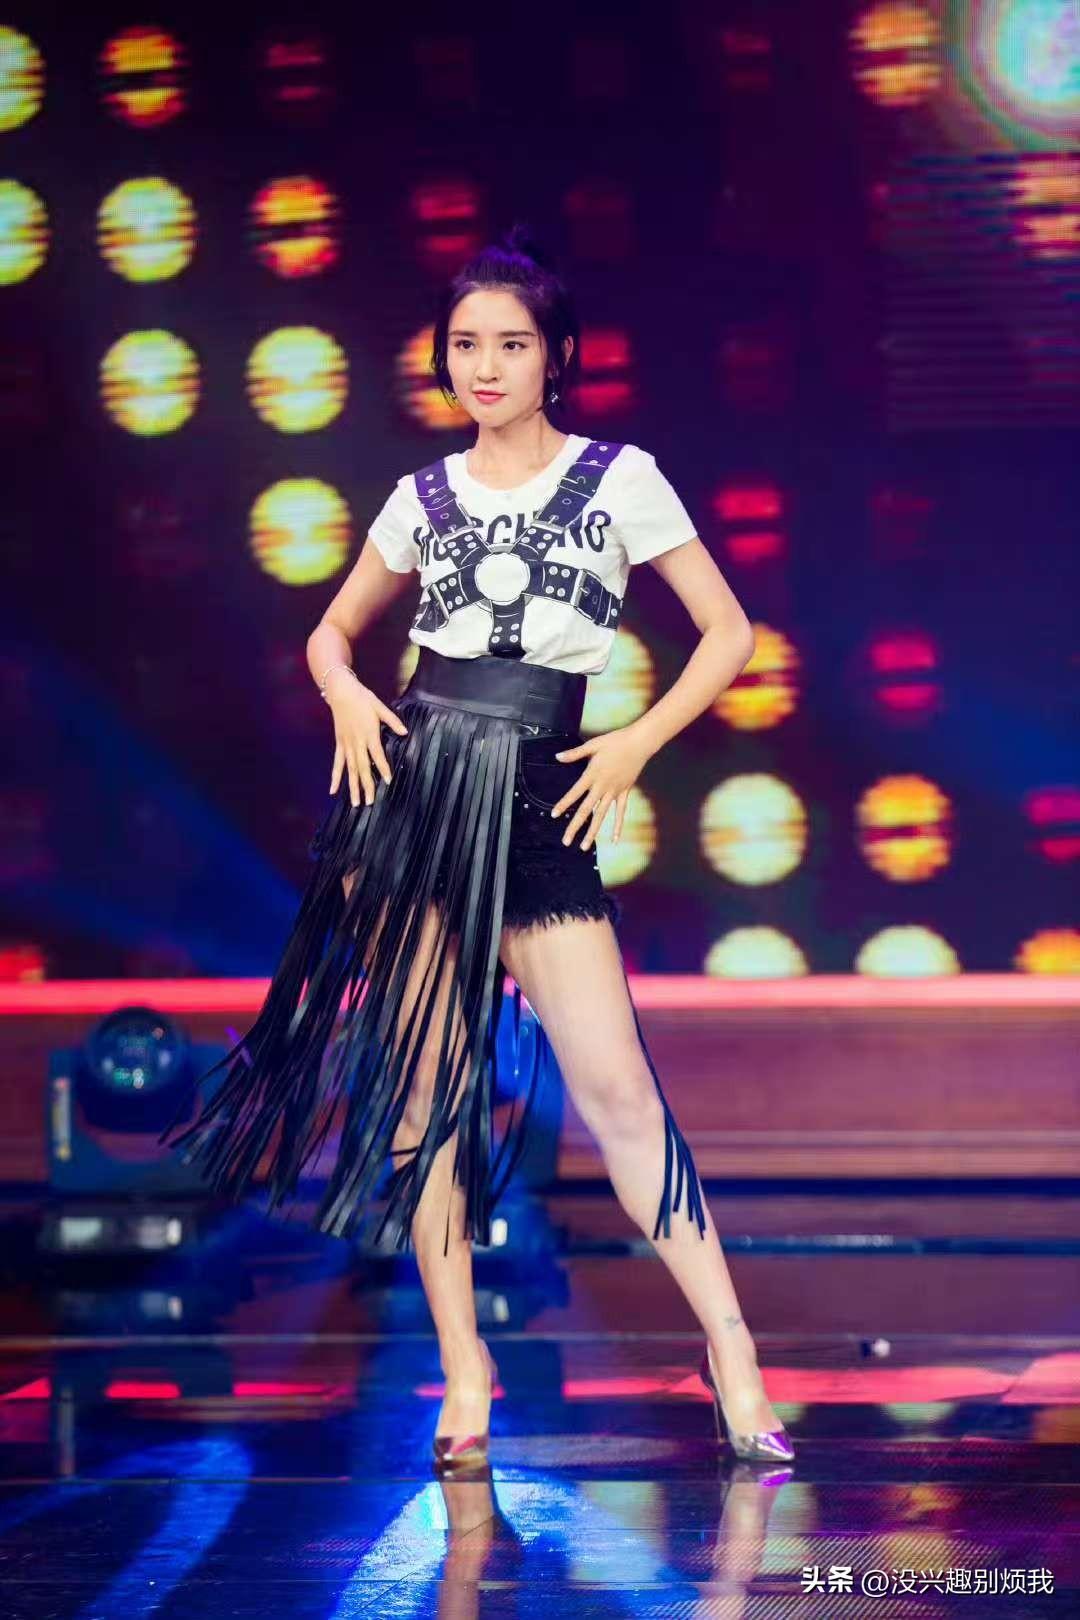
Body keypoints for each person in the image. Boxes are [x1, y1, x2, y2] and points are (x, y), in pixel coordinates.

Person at [159, 222, 794, 1469]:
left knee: (617, 1095)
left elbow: (728, 632)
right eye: (465, 345)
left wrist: (634, 745)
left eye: (511, 344)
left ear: (558, 357)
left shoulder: (620, 478)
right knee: (424, 1097)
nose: (486, 366)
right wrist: (346, 695)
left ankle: (730, 1348)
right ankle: (464, 1367)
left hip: (541, 797)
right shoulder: (423, 495)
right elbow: (331, 634)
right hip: (413, 800)